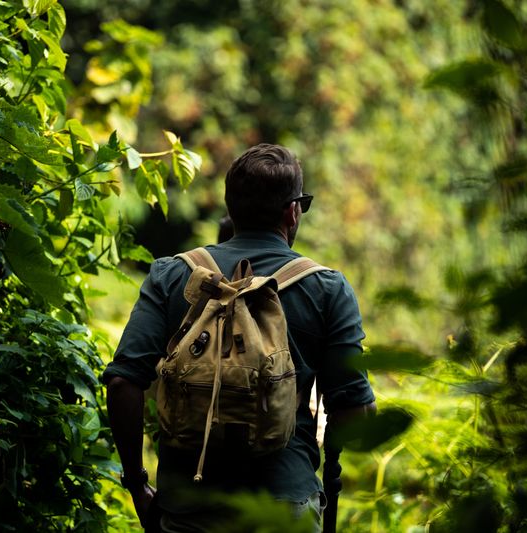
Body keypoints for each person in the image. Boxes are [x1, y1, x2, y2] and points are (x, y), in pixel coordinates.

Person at [103, 143, 377, 532]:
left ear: (230, 208)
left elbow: (122, 383)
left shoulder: (171, 275)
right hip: (284, 508)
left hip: (186, 510)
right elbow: (354, 412)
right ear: (293, 210)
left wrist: (137, 483)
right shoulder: (326, 288)